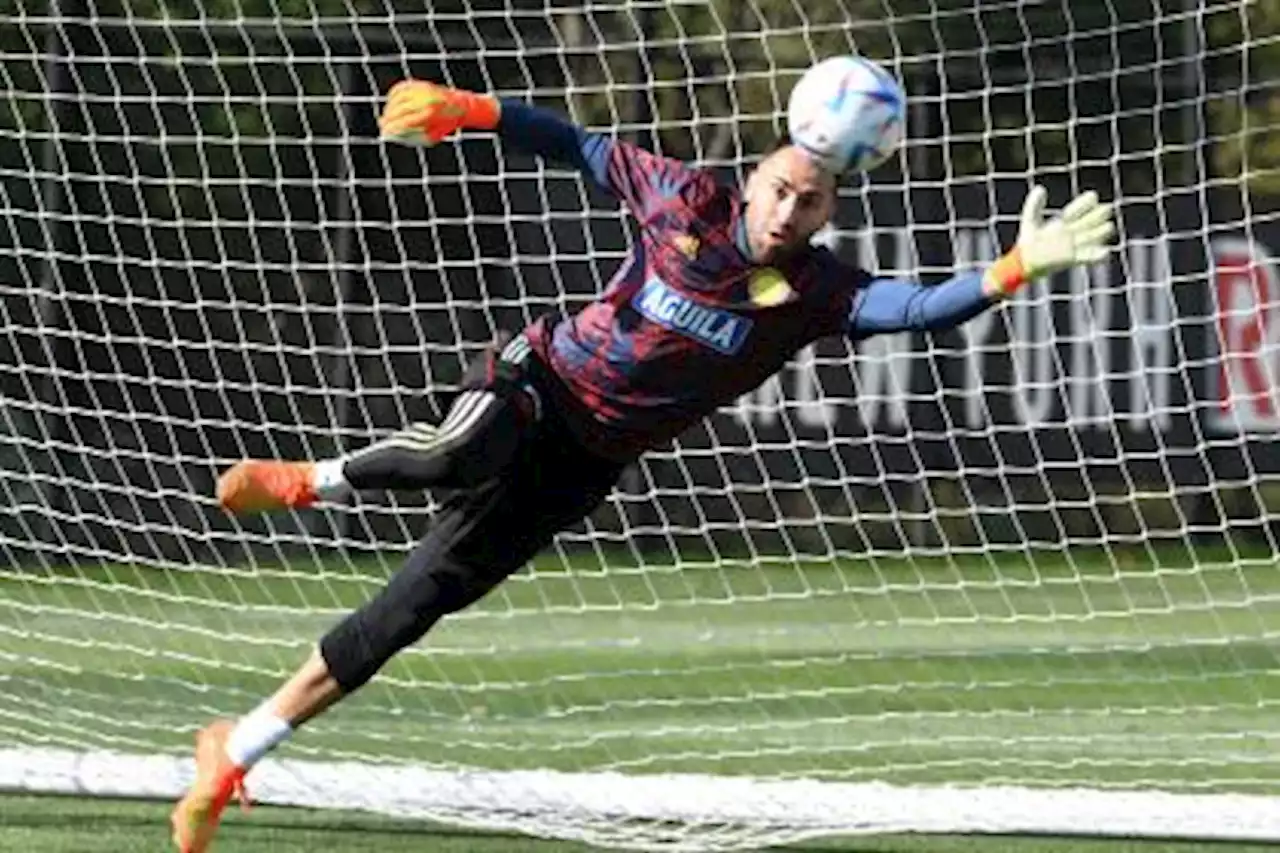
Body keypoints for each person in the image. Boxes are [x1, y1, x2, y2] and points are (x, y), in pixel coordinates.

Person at [170, 78, 1114, 852]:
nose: (790, 209)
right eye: (781, 188)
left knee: (410, 608)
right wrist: (475, 111)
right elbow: (578, 145)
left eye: (811, 200)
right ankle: (309, 480)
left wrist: (1013, 267)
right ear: (752, 181)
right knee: (457, 452)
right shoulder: (684, 198)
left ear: (831, 208)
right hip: (538, 377)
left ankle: (238, 746)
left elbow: (916, 310)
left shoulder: (819, 291)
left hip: (586, 461)